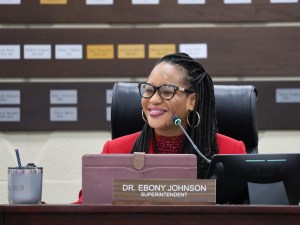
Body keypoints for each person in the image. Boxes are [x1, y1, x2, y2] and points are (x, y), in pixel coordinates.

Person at [74, 52, 246, 204]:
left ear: (191, 101)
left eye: (166, 91)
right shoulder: (115, 150)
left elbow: (246, 214)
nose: (153, 99)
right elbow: (85, 210)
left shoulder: (229, 152)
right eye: (149, 89)